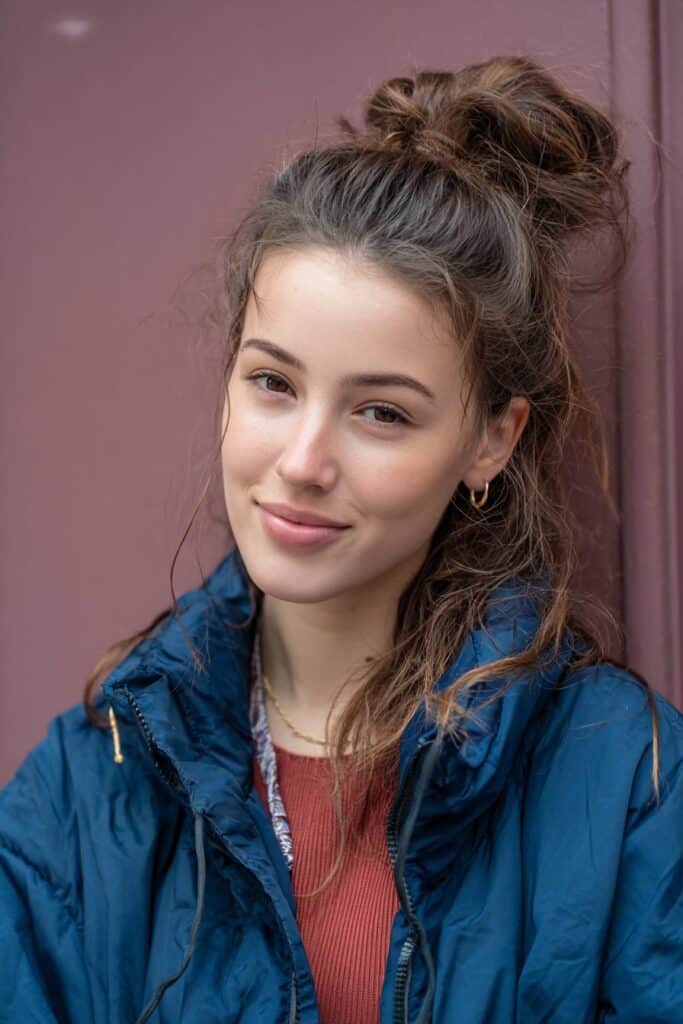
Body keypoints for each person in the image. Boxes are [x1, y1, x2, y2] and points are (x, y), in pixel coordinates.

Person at [1, 54, 681, 1024]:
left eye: (380, 413)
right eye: (272, 383)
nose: (303, 460)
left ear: (491, 437)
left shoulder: (626, 784)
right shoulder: (88, 789)